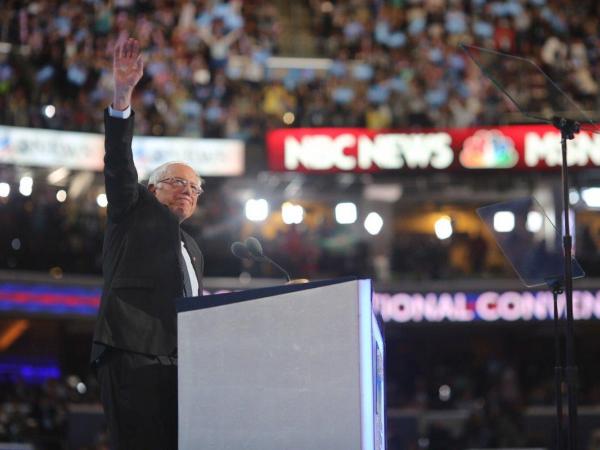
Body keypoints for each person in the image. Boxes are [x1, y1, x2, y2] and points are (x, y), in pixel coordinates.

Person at [91, 34, 204, 450]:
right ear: (152, 189)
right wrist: (122, 98)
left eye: (195, 188)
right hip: (132, 351)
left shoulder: (192, 249)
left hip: (181, 365)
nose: (188, 191)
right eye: (177, 182)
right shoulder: (132, 208)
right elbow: (118, 163)